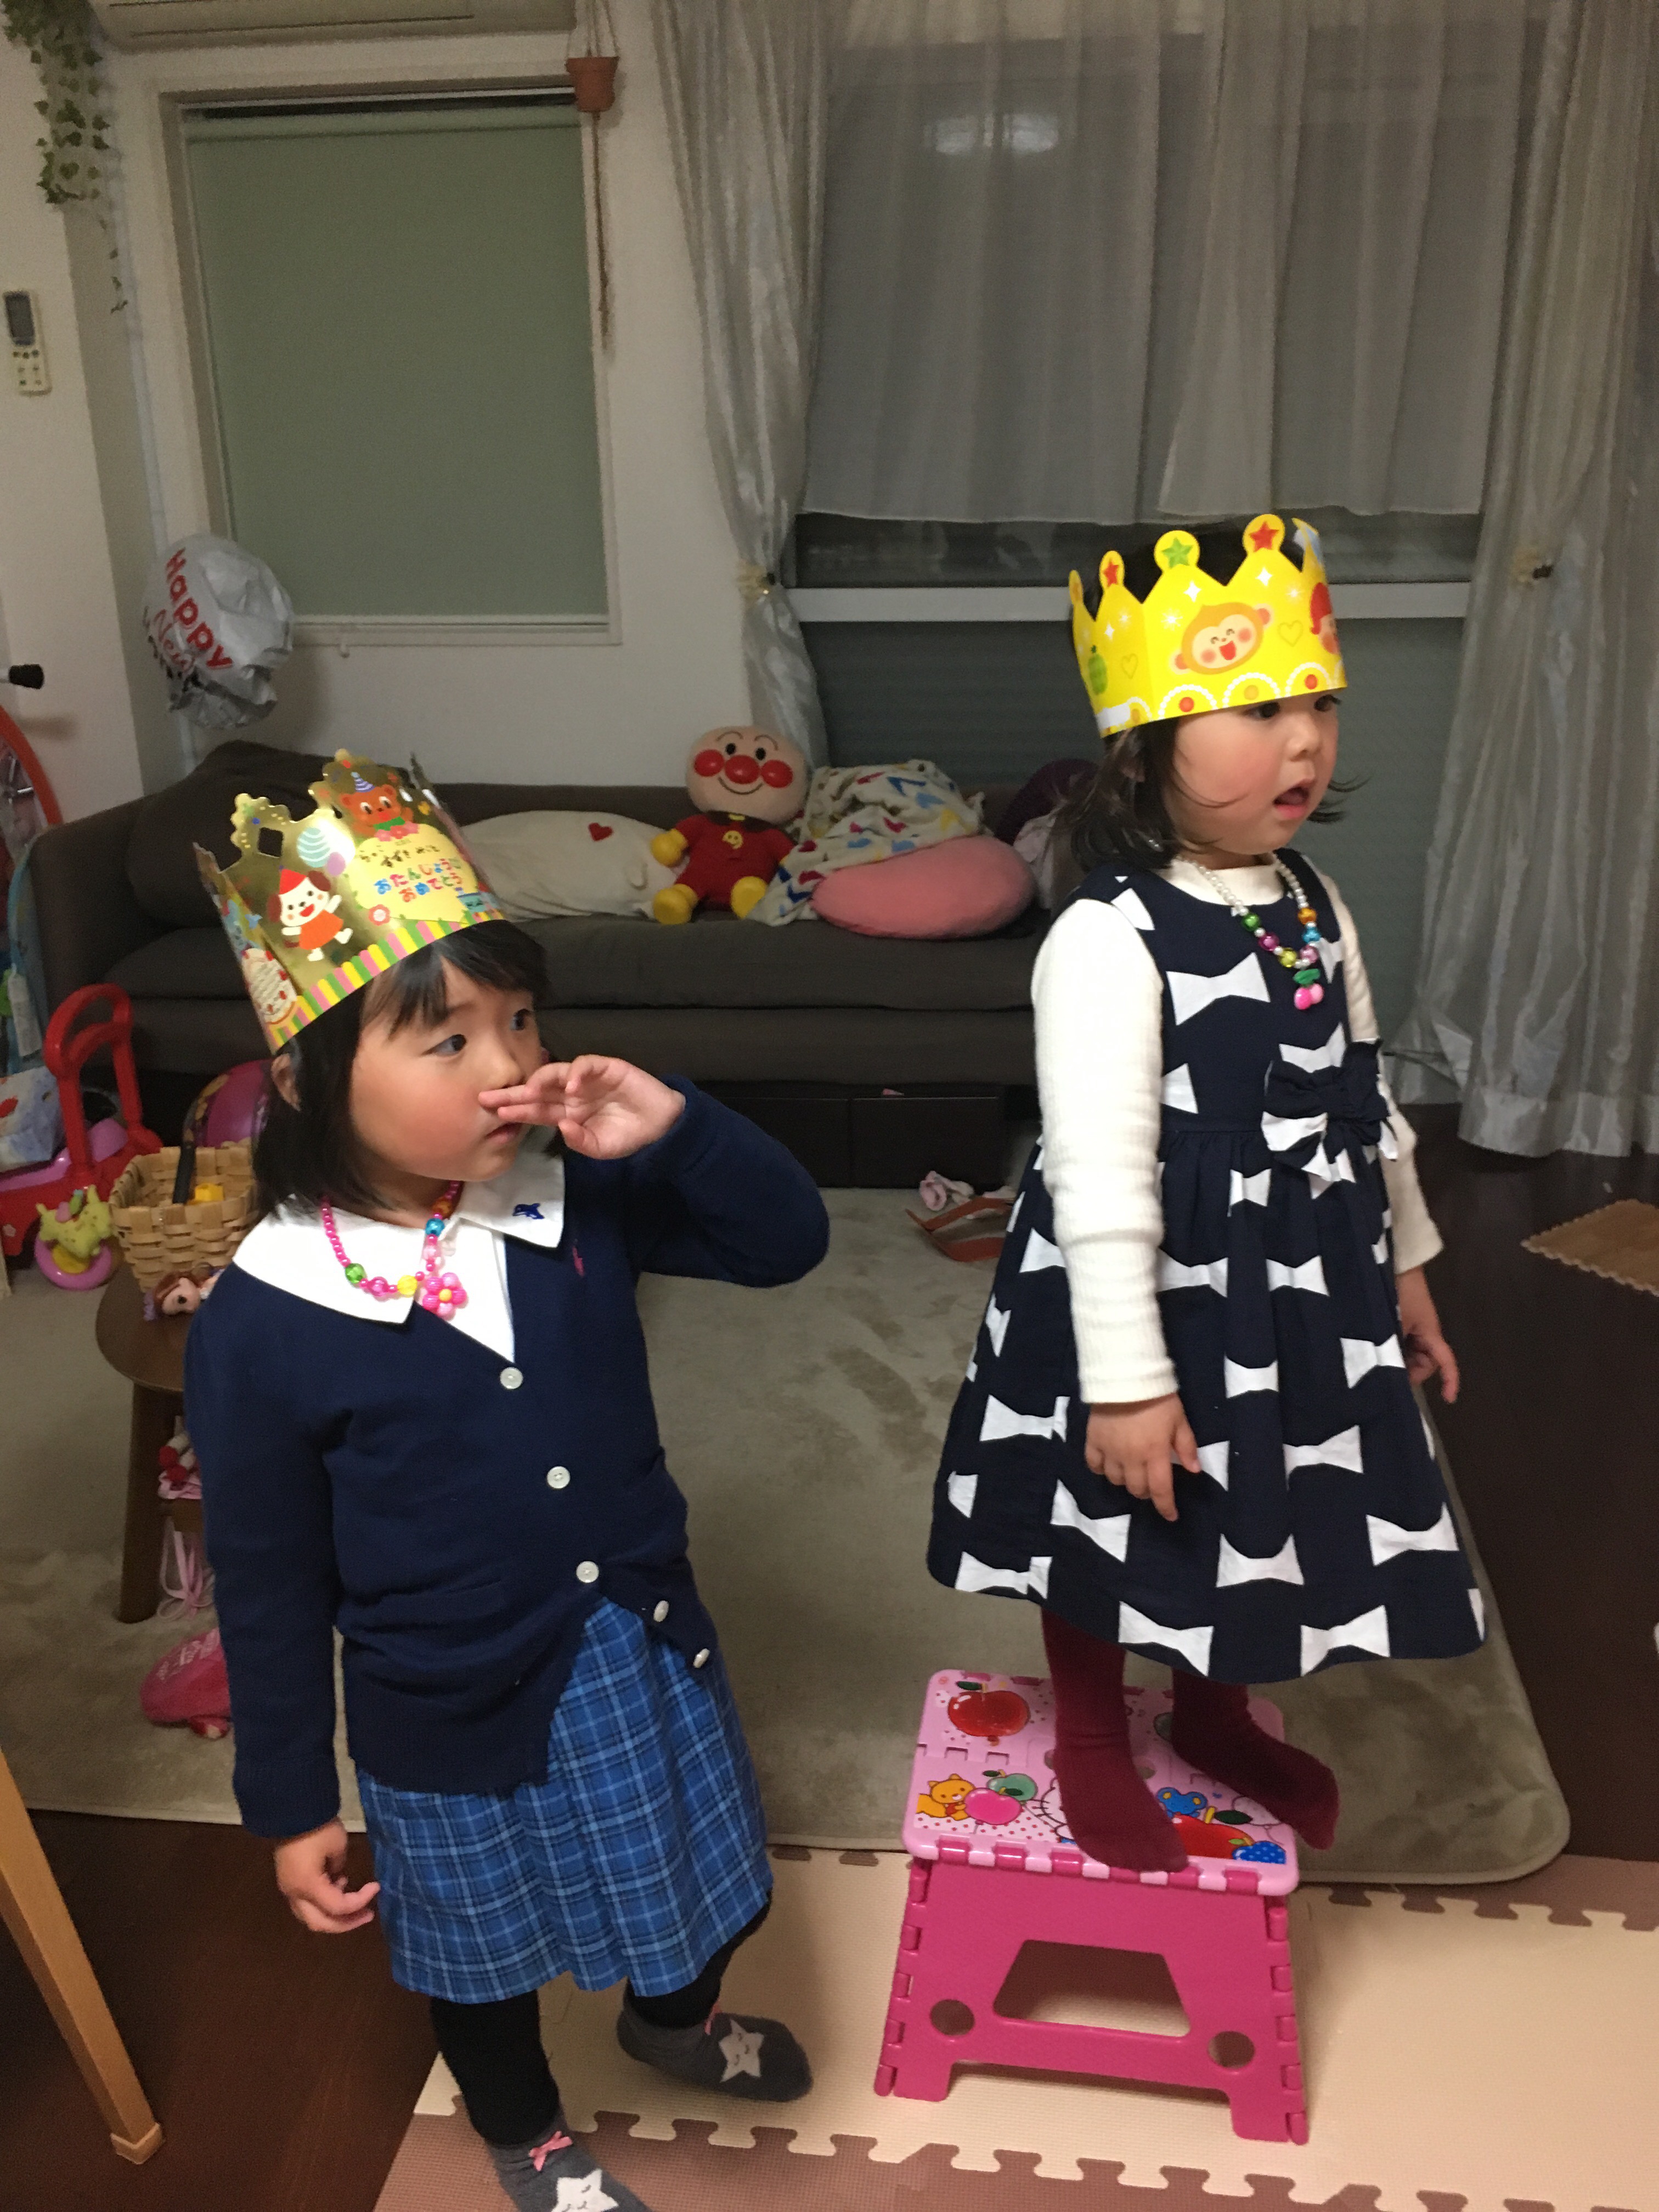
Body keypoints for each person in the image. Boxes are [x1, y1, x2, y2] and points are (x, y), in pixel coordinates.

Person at [186, 752, 829, 2212]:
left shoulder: (575, 1188)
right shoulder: (263, 1317)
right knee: (479, 1962)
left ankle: (672, 2021)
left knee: (704, 1886)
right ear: (307, 1079)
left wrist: (679, 1125)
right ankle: (524, 2130)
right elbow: (269, 1585)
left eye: (520, 1021)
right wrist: (289, 1801)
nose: (509, 1066)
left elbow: (787, 1242)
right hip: (445, 1705)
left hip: (639, 1643)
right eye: (446, 1041)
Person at [928, 516, 1485, 1874]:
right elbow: (1099, 1170)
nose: (1305, 742)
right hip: (1143, 1287)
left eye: (1318, 704)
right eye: (1257, 709)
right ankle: (1092, 1736)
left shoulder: (1315, 902)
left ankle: (1216, 1711)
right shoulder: (1108, 935)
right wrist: (1125, 1382)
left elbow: (1367, 1099)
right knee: (1112, 1507)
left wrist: (1406, 1265)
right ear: (1144, 746)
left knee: (1251, 1495)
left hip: (1292, 1278)